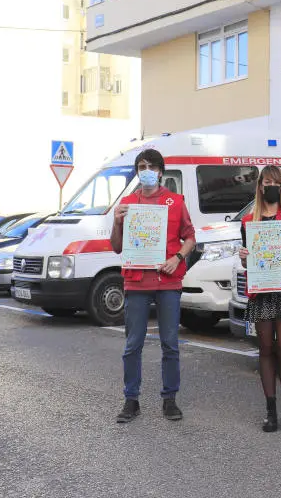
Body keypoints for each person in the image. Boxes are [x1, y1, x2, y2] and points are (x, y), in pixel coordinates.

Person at [111, 149, 196, 423]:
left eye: (151, 166)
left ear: (160, 172)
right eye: (141, 167)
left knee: (170, 343)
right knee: (132, 344)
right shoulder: (127, 203)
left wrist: (177, 257)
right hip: (136, 281)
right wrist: (116, 222)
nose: (145, 171)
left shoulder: (175, 202)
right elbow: (116, 247)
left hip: (168, 281)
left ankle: (170, 399)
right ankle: (131, 399)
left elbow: (190, 237)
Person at [238, 165, 281, 433]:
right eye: (267, 182)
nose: (271, 187)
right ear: (260, 186)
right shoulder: (249, 222)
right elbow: (248, 263)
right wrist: (244, 258)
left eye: (276, 183)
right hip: (262, 290)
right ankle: (270, 411)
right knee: (266, 348)